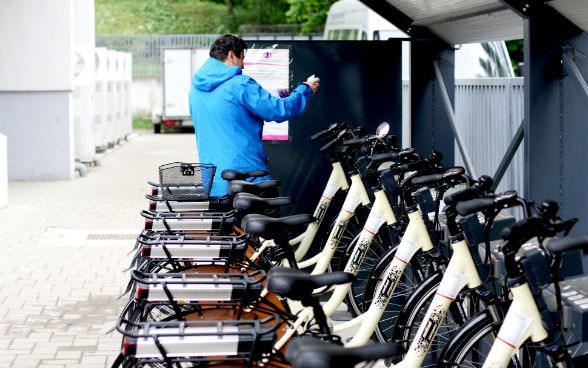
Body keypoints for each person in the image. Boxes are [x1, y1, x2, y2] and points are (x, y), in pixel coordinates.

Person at [188, 34, 320, 197]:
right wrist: (305, 90)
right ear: (231, 55)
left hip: (214, 183)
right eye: (242, 58)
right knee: (269, 221)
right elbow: (280, 109)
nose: (243, 65)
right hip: (248, 179)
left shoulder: (194, 91)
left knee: (227, 222)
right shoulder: (240, 84)